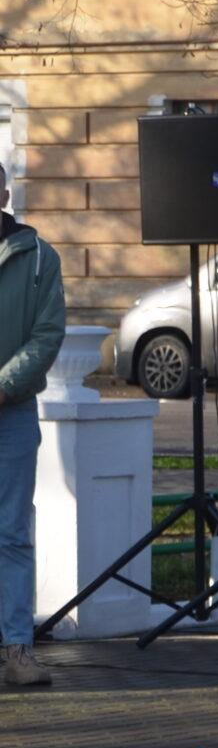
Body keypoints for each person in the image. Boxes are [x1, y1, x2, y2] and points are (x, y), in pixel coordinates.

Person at [0, 167, 63, 691]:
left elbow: (47, 334)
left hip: (12, 411)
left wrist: (3, 386)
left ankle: (17, 649)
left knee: (12, 533)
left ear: (3, 195)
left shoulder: (40, 257)